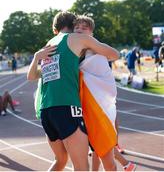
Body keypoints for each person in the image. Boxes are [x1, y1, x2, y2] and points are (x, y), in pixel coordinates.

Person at [27, 11, 119, 171]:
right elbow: (114, 54)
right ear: (72, 27)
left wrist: (36, 57)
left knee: (60, 160)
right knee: (82, 166)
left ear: (55, 29)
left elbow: (32, 76)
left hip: (46, 111)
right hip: (67, 107)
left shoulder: (49, 45)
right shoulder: (78, 39)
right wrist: (91, 45)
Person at [74, 15, 136, 171]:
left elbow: (114, 55)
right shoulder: (73, 51)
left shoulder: (95, 47)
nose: (80, 29)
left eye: (84, 27)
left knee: (102, 144)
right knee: (96, 144)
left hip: (100, 99)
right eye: (77, 27)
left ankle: (125, 164)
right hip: (84, 103)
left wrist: (93, 46)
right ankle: (125, 165)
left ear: (91, 33)